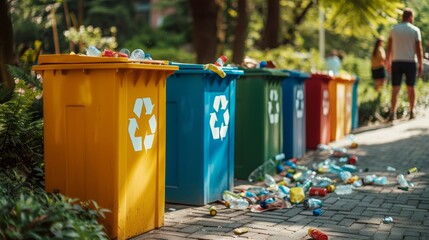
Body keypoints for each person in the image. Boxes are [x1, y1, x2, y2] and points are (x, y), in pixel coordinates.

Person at [386, 8, 423, 121]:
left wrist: (387, 61)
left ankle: (392, 113)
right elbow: (418, 49)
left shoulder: (394, 29)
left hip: (396, 61)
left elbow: (389, 48)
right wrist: (420, 64)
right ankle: (412, 111)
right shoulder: (415, 30)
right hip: (410, 61)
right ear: (411, 17)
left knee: (395, 88)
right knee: (411, 87)